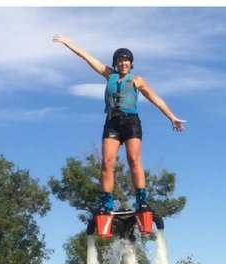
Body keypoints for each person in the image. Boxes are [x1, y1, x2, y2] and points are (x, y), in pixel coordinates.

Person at [52, 35, 186, 214]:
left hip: (131, 122)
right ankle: (106, 204)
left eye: (126, 61)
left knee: (133, 159)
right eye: (120, 60)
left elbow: (156, 99)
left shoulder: (137, 80)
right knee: (107, 162)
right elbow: (87, 57)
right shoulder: (109, 75)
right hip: (112, 123)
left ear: (131, 64)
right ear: (115, 63)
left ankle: (142, 201)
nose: (123, 63)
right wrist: (68, 44)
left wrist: (171, 117)